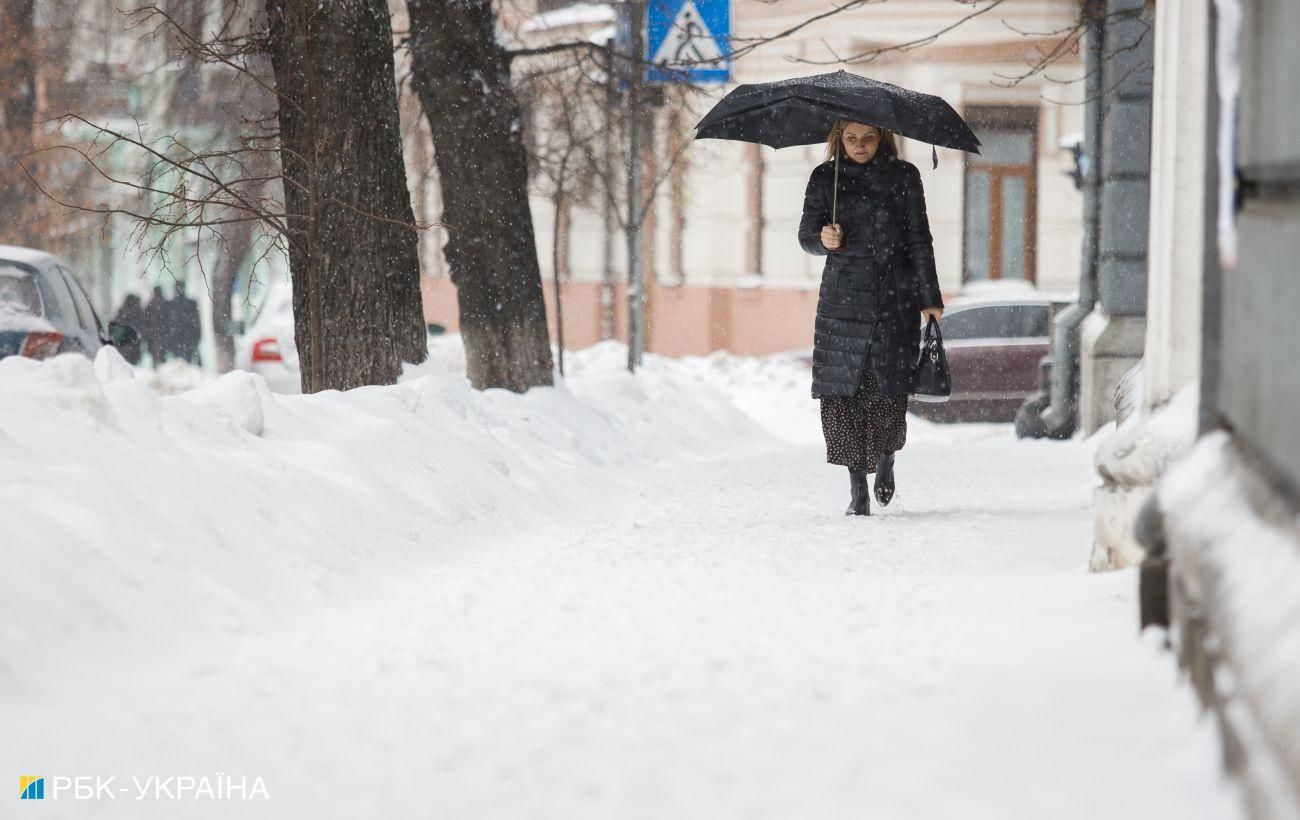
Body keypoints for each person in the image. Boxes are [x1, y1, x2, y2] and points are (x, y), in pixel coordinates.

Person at [797, 121, 944, 516]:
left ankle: (885, 461)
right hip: (841, 303)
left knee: (887, 392)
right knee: (842, 396)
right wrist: (821, 240)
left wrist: (930, 297)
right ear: (838, 139)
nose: (859, 146)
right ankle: (856, 490)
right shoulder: (825, 178)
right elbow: (806, 235)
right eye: (850, 138)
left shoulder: (904, 177)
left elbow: (918, 238)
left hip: (894, 299)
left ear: (882, 138)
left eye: (868, 138)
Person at [109, 293, 146, 365]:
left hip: (121, 343)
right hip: (133, 343)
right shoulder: (138, 311)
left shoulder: (121, 310)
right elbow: (142, 326)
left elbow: (115, 323)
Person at [143, 285, 168, 365]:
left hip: (153, 333)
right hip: (162, 332)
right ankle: (161, 368)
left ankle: (156, 367)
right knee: (162, 353)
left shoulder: (150, 303)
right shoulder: (165, 303)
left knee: (154, 353)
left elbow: (145, 319)